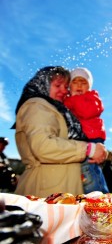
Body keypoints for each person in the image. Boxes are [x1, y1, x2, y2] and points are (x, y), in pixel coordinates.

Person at [13, 66, 107, 197]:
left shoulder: (58, 109)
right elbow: (43, 146)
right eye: (58, 85)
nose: (64, 91)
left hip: (61, 189)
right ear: (43, 83)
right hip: (46, 192)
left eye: (66, 87)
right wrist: (88, 149)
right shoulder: (37, 105)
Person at [64, 67, 109, 194]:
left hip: (91, 137)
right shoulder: (68, 100)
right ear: (69, 86)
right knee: (83, 173)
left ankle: (99, 197)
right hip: (81, 138)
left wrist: (72, 99)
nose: (79, 85)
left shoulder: (92, 98)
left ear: (89, 86)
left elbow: (86, 112)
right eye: (75, 82)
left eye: (83, 82)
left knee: (89, 171)